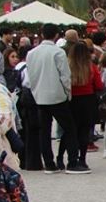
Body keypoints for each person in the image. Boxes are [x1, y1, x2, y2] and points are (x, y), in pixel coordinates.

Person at [26, 24, 81, 174]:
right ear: (56, 35)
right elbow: (65, 76)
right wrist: (67, 93)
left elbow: (30, 75)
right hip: (57, 96)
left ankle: (49, 163)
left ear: (42, 34)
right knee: (70, 128)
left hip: (40, 96)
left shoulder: (31, 53)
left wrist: (35, 90)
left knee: (45, 130)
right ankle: (72, 162)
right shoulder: (58, 52)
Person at [61, 40, 99, 172]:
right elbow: (99, 85)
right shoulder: (91, 67)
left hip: (72, 100)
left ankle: (62, 157)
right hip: (88, 100)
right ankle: (82, 159)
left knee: (70, 130)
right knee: (84, 131)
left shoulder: (68, 66)